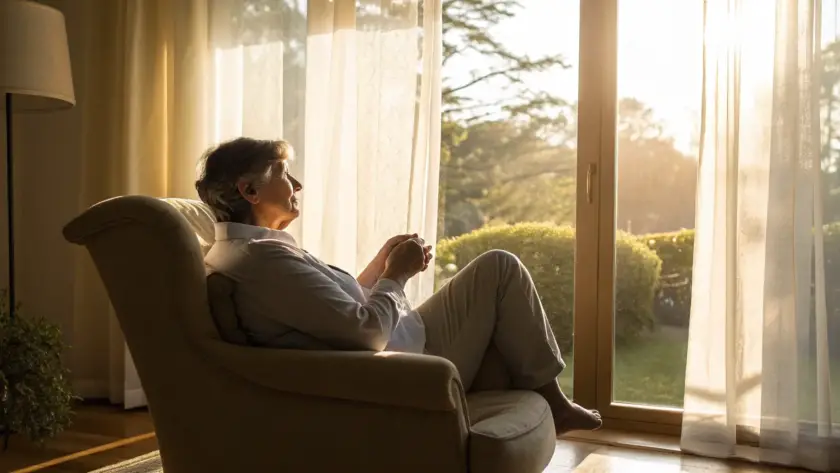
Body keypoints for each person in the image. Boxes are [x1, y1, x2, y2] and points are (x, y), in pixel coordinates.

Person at [197, 137, 602, 435]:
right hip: (409, 361)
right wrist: (399, 274)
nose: (297, 185)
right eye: (284, 174)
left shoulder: (253, 252)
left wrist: (379, 267)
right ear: (249, 190)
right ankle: (554, 402)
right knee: (500, 268)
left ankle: (532, 400)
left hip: (405, 340)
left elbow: (332, 314)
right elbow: (366, 333)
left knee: (497, 282)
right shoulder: (261, 260)